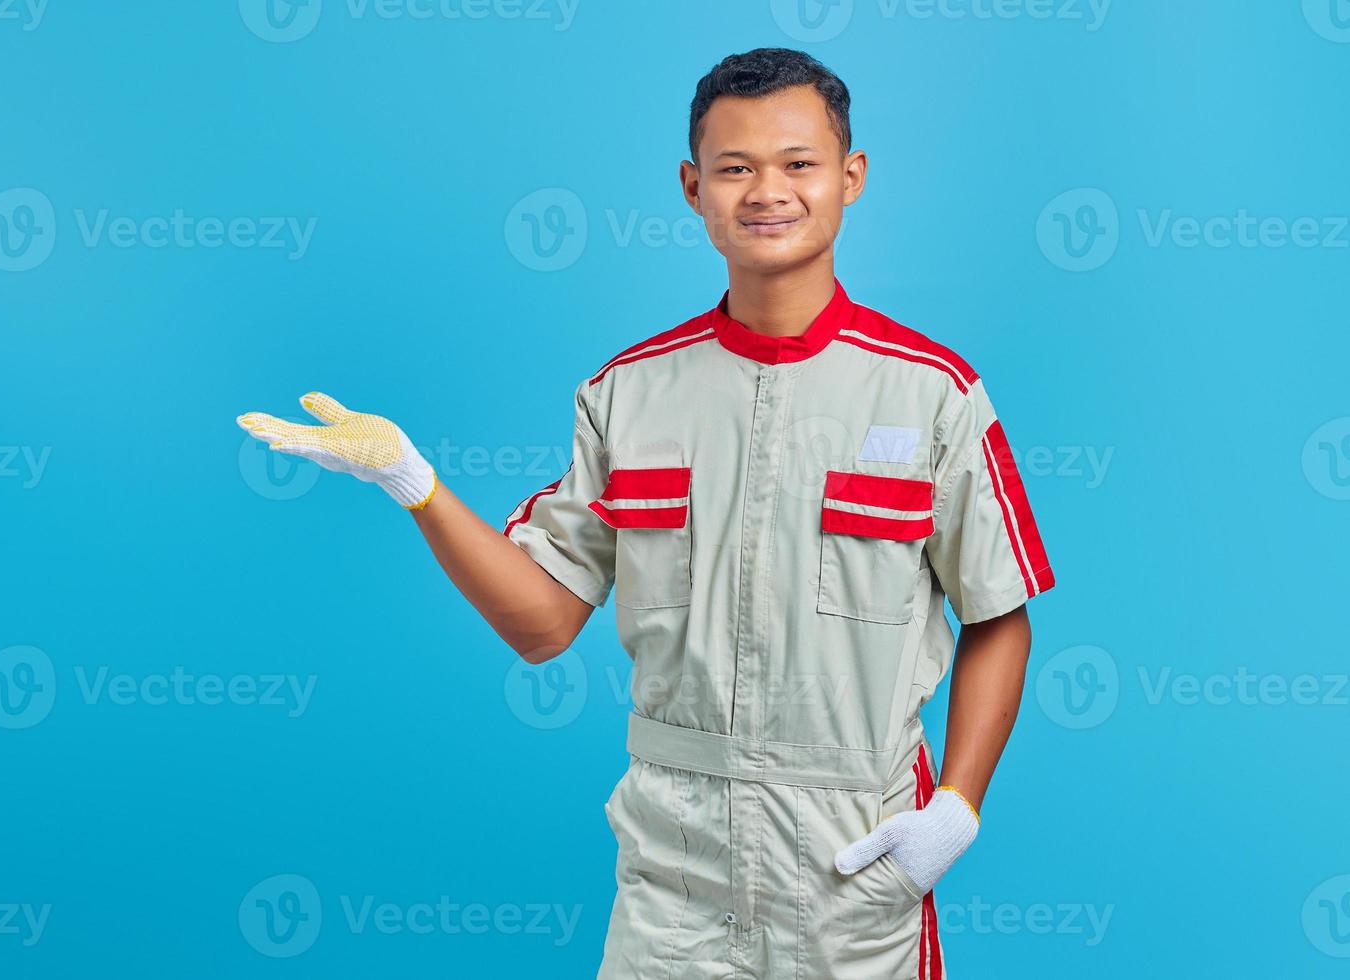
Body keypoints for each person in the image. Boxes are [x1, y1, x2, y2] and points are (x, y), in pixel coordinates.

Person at [237, 46, 1055, 980]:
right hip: (674, 866)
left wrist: (955, 808)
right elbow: (543, 624)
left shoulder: (933, 396)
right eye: (735, 167)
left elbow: (999, 614)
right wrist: (413, 481)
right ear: (692, 186)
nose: (767, 191)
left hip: (851, 854)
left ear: (850, 178)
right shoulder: (627, 395)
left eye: (799, 164)